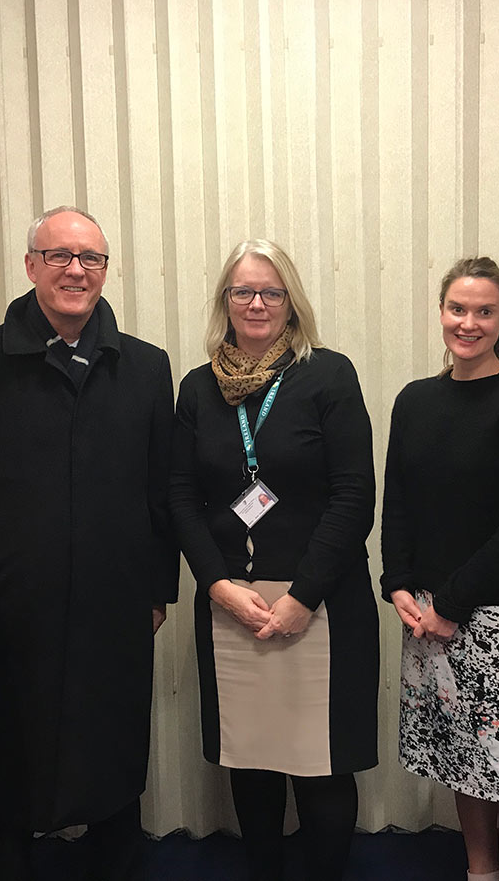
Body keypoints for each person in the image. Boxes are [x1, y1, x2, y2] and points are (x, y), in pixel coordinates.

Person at [0, 206, 178, 880]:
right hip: (10, 609)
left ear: (106, 269)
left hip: (115, 606)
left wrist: (159, 591)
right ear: (31, 264)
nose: (76, 270)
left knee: (114, 763)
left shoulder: (148, 368)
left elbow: (163, 492)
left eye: (90, 258)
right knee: (9, 763)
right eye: (60, 255)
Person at [169, 239, 379, 881]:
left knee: (321, 766)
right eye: (243, 292)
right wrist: (217, 585)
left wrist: (302, 597)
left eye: (271, 292)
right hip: (235, 604)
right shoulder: (199, 388)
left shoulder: (328, 374)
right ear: (224, 303)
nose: (256, 303)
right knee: (251, 758)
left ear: (291, 303)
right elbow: (179, 497)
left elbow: (354, 495)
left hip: (320, 605)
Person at [380, 257, 499, 881]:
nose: (469, 322)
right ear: (441, 314)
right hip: (425, 614)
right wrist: (397, 585)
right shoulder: (416, 400)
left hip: (493, 615)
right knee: (462, 758)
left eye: (485, 311)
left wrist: (453, 605)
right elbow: (397, 502)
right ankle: (478, 873)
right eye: (458, 308)